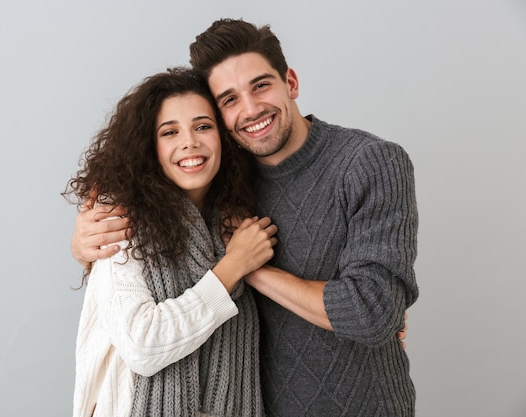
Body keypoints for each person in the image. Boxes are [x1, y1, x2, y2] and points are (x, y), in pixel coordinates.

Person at [71, 19, 419, 417]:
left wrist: (248, 268)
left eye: (261, 85)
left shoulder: (369, 162)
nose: (251, 110)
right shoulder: (226, 180)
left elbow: (370, 313)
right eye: (230, 99)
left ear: (290, 82)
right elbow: (144, 261)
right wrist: (85, 246)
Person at [63, 68, 277, 417]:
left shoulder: (243, 215)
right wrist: (233, 266)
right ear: (150, 145)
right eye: (170, 132)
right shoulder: (120, 222)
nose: (190, 141)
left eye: (203, 126)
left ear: (224, 136)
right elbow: (142, 346)